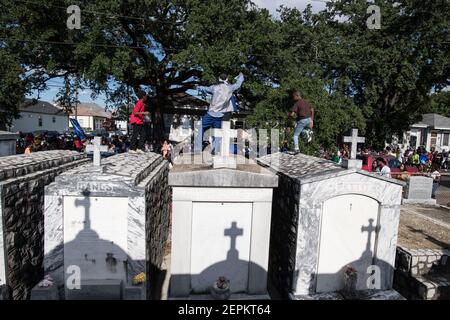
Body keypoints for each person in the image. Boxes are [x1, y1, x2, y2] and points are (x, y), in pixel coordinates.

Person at [194, 72, 244, 154]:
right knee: (217, 132)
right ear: (227, 79)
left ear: (219, 79)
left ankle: (197, 149)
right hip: (220, 114)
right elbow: (238, 84)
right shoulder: (230, 88)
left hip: (211, 113)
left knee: (201, 128)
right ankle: (215, 149)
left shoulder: (214, 87)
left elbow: (205, 88)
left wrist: (198, 87)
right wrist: (241, 76)